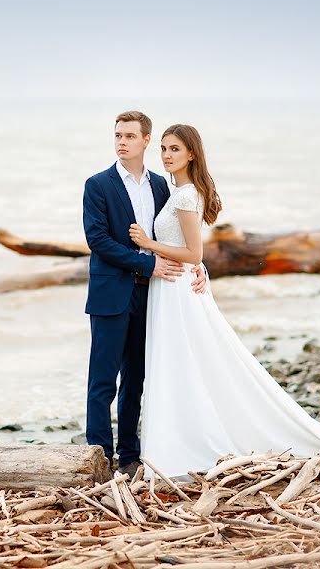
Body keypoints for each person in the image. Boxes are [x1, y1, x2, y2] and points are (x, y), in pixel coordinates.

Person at [128, 124, 320, 477]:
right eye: (163, 148)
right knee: (182, 361)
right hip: (172, 286)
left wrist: (149, 244)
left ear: (191, 153)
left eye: (174, 149)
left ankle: (183, 444)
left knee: (184, 360)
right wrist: (191, 265)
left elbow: (194, 252)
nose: (166, 155)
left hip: (177, 289)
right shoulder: (179, 192)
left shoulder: (184, 196)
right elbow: (195, 257)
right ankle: (176, 438)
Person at [82, 111, 206, 477]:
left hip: (151, 296)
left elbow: (178, 237)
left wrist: (197, 266)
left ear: (145, 140)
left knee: (136, 378)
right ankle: (99, 457)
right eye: (117, 135)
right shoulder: (98, 185)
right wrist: (146, 264)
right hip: (111, 293)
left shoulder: (160, 186)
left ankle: (131, 454)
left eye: (130, 136)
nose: (122, 142)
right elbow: (98, 240)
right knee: (103, 379)